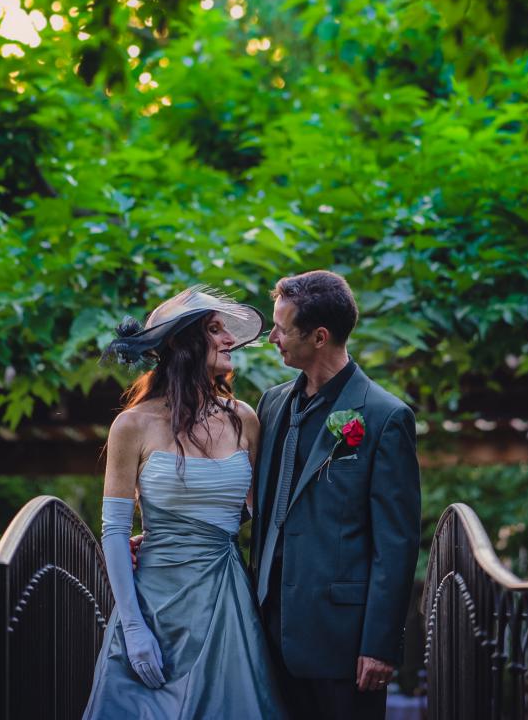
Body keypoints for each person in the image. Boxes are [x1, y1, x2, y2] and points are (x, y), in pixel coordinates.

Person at [82, 285, 287, 719]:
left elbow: (254, 509)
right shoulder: (132, 425)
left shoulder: (244, 418)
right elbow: (115, 532)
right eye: (216, 330)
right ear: (180, 343)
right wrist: (134, 628)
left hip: (225, 598)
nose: (230, 339)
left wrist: (196, 530)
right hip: (155, 602)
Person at [253, 270, 422, 720]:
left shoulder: (386, 418)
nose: (272, 337)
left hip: (343, 645)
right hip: (267, 636)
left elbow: (397, 544)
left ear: (320, 336)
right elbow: (254, 505)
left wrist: (379, 646)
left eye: (282, 329)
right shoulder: (269, 406)